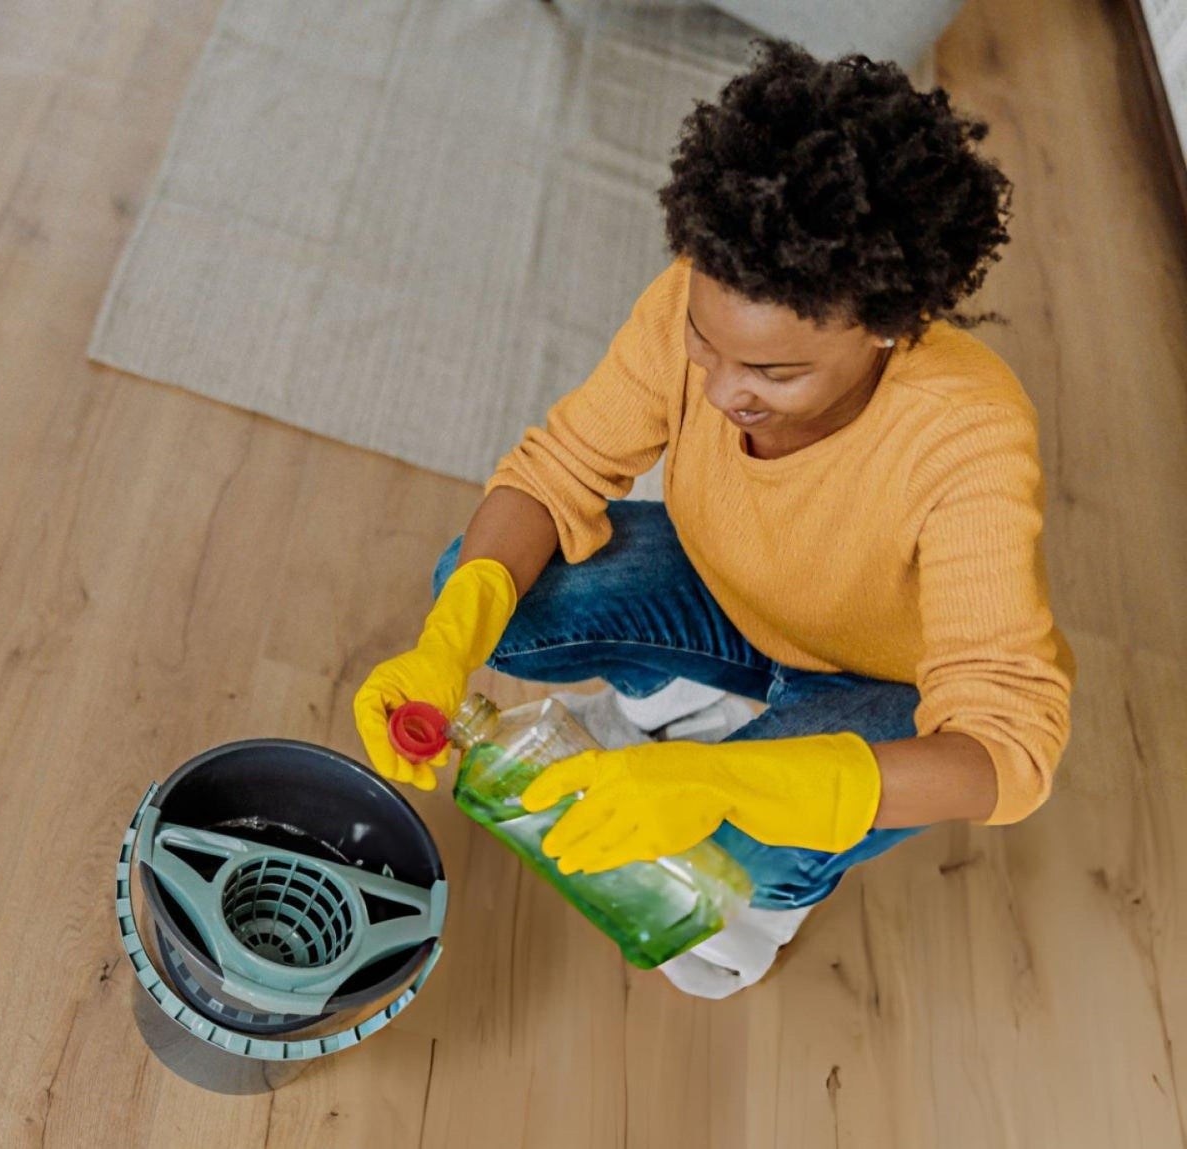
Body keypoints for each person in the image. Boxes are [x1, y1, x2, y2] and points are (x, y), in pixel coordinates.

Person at [352, 40, 1075, 996]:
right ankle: (667, 717)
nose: (725, 388)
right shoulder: (703, 300)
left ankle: (763, 878)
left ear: (891, 326)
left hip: (883, 688)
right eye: (706, 340)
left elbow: (1007, 753)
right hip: (730, 599)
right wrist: (446, 645)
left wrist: (731, 787)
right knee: (484, 590)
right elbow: (558, 468)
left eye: (776, 374)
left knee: (747, 844)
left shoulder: (967, 434)